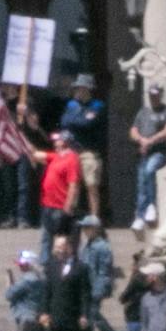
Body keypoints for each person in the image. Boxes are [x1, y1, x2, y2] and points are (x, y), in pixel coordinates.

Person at [30, 129, 83, 267]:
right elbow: (37, 155)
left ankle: (62, 266)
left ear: (65, 142)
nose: (55, 143)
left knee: (61, 239)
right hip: (47, 205)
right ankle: (45, 265)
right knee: (46, 237)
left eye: (58, 140)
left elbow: (73, 185)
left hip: (60, 207)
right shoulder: (56, 156)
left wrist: (68, 207)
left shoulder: (72, 159)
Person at [58, 73, 107, 221]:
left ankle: (94, 218)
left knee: (91, 186)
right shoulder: (71, 105)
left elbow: (86, 123)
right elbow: (64, 122)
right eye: (77, 88)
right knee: (73, 186)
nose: (78, 91)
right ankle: (70, 217)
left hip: (89, 152)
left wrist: (76, 121)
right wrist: (78, 120)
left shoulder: (97, 106)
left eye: (81, 88)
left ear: (88, 90)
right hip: (73, 152)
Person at [77, 215, 127, 331]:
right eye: (83, 227)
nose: (84, 230)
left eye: (87, 227)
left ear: (95, 229)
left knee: (93, 316)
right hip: (85, 286)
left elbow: (104, 272)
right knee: (90, 315)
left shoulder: (102, 247)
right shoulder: (87, 245)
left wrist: (98, 290)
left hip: (95, 287)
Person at [128, 83, 166, 229]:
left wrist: (150, 141)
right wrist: (141, 140)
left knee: (149, 170)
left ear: (160, 94)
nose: (153, 97)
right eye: (151, 95)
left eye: (156, 94)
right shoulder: (143, 112)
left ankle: (152, 206)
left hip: (159, 152)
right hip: (144, 152)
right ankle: (140, 215)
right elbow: (133, 131)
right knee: (141, 182)